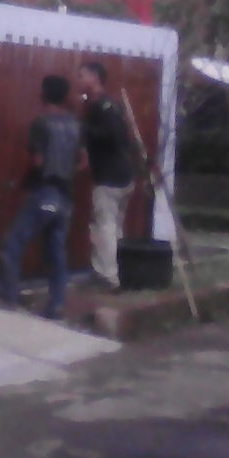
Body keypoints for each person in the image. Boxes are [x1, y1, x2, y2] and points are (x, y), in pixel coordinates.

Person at [0, 74, 82, 319]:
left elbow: (38, 162)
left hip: (46, 191)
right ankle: (56, 305)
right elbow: (83, 161)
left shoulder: (41, 123)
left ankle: (8, 298)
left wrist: (23, 182)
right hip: (67, 196)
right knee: (56, 251)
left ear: (43, 94)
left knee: (12, 244)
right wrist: (66, 174)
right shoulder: (75, 124)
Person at [77, 59, 135, 293]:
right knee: (114, 227)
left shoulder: (102, 106)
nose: (79, 80)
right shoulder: (110, 105)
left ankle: (107, 277)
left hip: (110, 178)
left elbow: (112, 136)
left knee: (105, 227)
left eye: (82, 75)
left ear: (94, 77)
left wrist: (84, 129)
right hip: (123, 175)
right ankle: (115, 271)